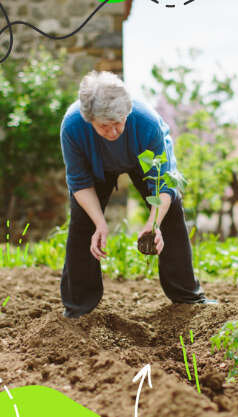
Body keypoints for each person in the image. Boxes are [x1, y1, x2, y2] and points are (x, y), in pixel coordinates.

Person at [59, 71, 215, 318]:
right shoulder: (72, 127)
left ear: (127, 112)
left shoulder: (146, 123)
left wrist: (153, 224)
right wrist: (100, 224)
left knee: (170, 213)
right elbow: (79, 182)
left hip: (143, 162)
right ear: (89, 120)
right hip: (96, 165)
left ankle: (187, 297)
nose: (113, 132)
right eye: (104, 126)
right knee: (83, 224)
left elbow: (164, 183)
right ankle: (78, 306)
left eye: (118, 123)